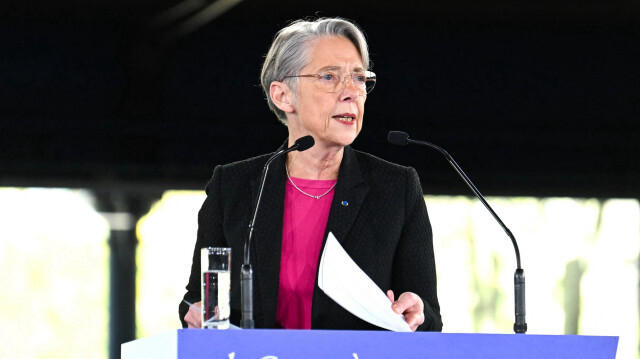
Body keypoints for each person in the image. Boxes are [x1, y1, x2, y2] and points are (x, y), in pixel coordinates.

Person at [179, 17, 442, 331]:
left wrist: (417, 311)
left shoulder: (396, 189)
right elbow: (195, 301)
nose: (351, 92)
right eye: (329, 76)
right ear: (282, 96)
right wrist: (195, 311)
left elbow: (429, 319)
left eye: (359, 78)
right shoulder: (234, 186)